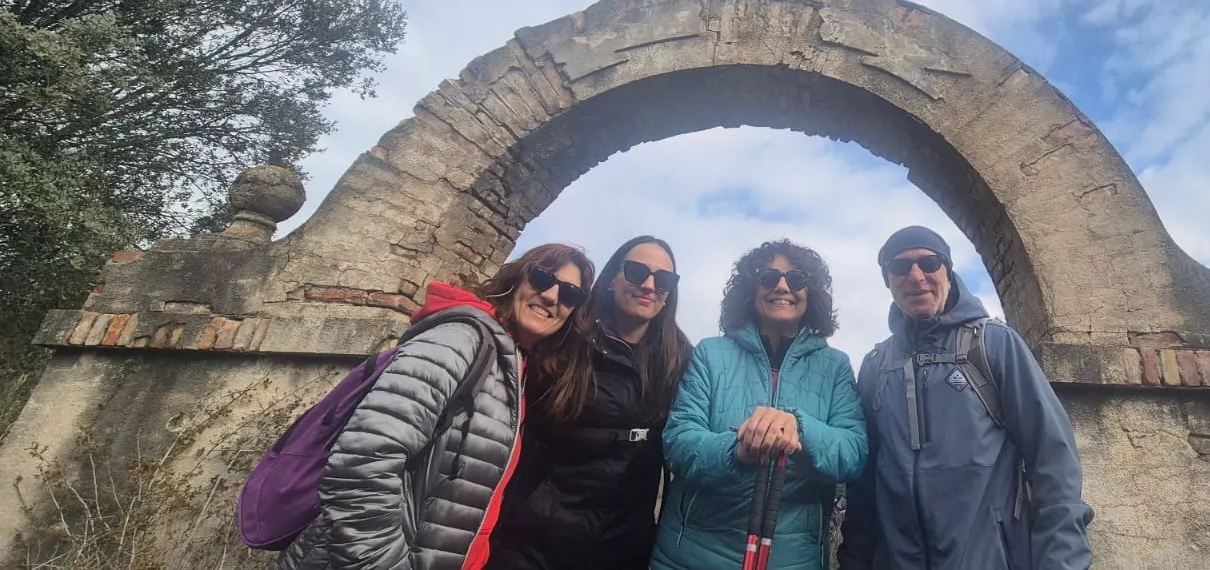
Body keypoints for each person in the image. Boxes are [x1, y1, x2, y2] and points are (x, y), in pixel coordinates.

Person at [273, 243, 595, 570]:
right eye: (542, 278)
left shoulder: (512, 366)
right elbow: (361, 462)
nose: (553, 296)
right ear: (516, 278)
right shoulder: (461, 340)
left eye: (570, 294)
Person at [836, 226, 1094, 570]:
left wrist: (1062, 561)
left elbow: (1052, 458)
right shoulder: (875, 366)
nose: (916, 276)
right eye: (900, 267)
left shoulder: (994, 345)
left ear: (948, 270)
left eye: (929, 263)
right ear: (888, 281)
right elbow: (866, 485)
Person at [652, 240, 868, 570]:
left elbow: (853, 453)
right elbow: (679, 441)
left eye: (796, 279)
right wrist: (738, 450)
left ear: (810, 293)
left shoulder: (835, 366)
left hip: (794, 561)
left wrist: (799, 429)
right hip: (690, 558)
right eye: (769, 277)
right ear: (751, 289)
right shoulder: (710, 355)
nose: (782, 286)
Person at [488, 235, 692, 569]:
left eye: (664, 279)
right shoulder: (564, 341)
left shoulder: (679, 362)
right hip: (530, 543)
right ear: (613, 279)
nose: (650, 285)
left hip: (621, 549)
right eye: (637, 272)